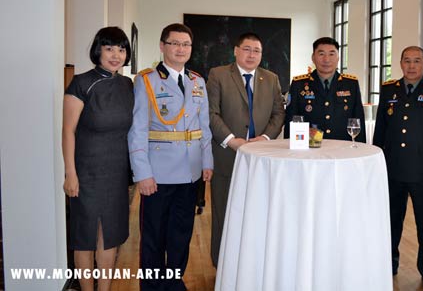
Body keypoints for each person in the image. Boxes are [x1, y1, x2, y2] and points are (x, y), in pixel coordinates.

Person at [128, 23, 213, 291]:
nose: (181, 49)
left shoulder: (197, 81)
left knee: (180, 234)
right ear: (162, 46)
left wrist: (207, 162)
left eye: (186, 44)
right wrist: (142, 173)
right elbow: (137, 130)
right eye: (175, 43)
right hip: (158, 174)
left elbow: (205, 126)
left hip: (190, 171)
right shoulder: (147, 81)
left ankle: (174, 282)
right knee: (153, 237)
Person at [372, 46, 423, 291]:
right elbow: (380, 130)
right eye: (407, 60)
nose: (412, 65)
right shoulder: (389, 90)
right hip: (393, 167)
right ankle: (389, 265)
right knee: (392, 220)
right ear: (400, 63)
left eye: (417, 61)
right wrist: (377, 163)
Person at [62, 27, 133, 291]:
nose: (116, 55)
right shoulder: (81, 82)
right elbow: (68, 130)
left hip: (116, 172)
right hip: (87, 172)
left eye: (121, 49)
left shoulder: (127, 84)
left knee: (110, 236)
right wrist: (71, 173)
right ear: (98, 50)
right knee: (85, 237)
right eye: (109, 48)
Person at [206, 32, 285, 267]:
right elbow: (211, 113)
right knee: (225, 213)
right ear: (236, 51)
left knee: (257, 215)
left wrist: (265, 137)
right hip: (227, 155)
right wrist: (232, 140)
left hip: (261, 159)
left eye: (257, 51)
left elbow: (278, 113)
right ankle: (221, 265)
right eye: (247, 49)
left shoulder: (270, 79)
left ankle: (253, 265)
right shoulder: (218, 75)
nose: (252, 55)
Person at [284, 37, 365, 142]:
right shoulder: (298, 84)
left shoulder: (350, 84)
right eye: (321, 54)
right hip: (310, 148)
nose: (326, 59)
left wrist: (360, 150)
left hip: (343, 149)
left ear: (338, 58)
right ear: (313, 58)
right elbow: (291, 120)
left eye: (331, 54)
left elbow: (358, 120)